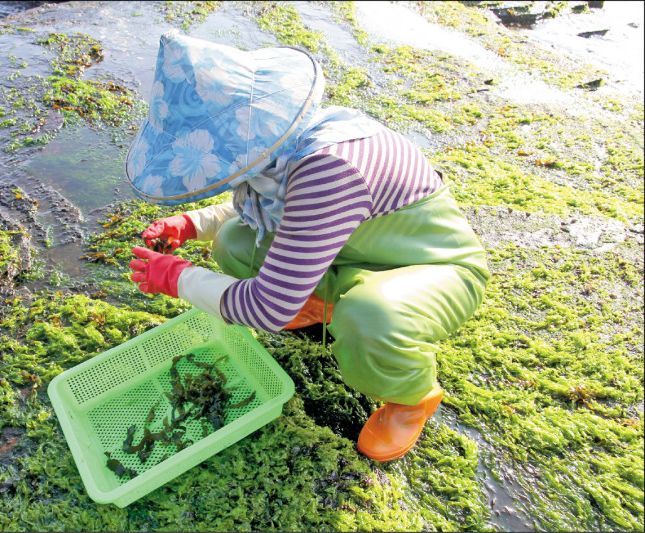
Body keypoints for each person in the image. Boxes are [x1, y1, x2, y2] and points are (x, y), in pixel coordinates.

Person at [126, 32, 489, 462]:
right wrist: (192, 224)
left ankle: (412, 397)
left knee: (370, 318)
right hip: (350, 254)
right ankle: (317, 304)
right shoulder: (286, 145)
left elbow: (266, 308)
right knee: (234, 243)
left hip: (434, 267)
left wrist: (176, 277)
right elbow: (277, 207)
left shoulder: (329, 169)